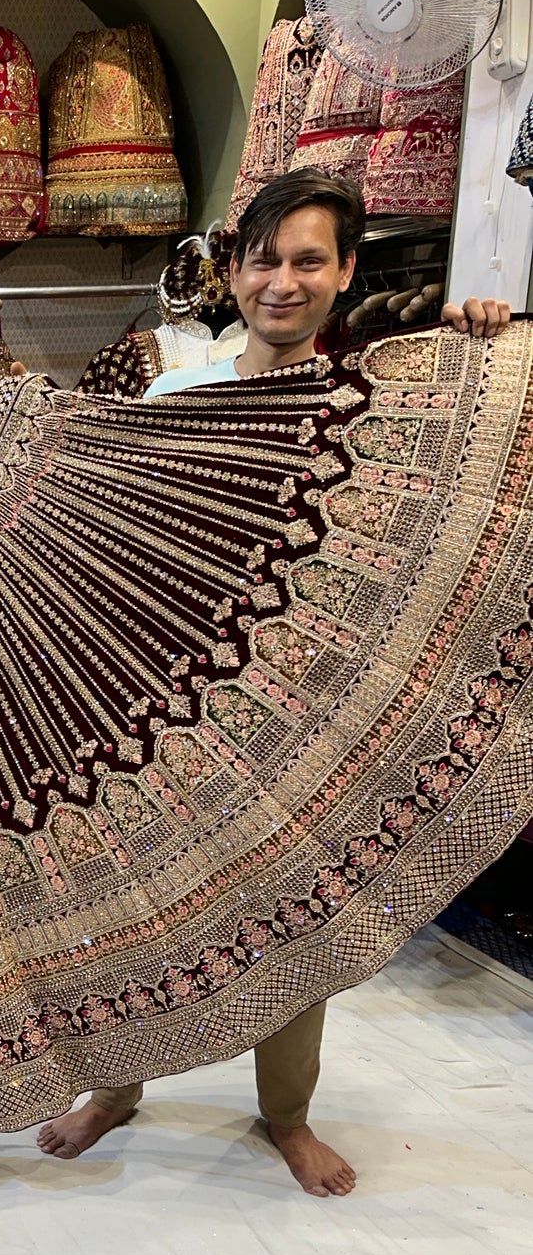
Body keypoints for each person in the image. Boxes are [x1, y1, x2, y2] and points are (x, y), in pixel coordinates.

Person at [38, 169, 512, 1198]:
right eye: (263, 258)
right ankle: (115, 1092)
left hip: (303, 709)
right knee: (132, 909)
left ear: (345, 273)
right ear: (233, 267)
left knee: (296, 911)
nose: (281, 282)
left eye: (308, 260)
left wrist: (482, 349)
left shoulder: (373, 404)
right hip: (165, 703)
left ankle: (285, 1117)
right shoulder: (175, 396)